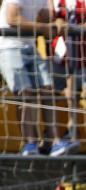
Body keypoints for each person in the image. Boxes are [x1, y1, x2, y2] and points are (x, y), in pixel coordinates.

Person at [0, 0, 69, 155]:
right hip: (9, 47)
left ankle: (56, 141)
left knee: (48, 89)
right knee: (26, 93)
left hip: (30, 47)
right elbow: (13, 19)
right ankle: (30, 144)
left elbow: (46, 17)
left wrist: (57, 21)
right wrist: (44, 28)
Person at [50, 0, 86, 156]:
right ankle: (66, 131)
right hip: (64, 52)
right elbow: (54, 17)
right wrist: (59, 23)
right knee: (65, 90)